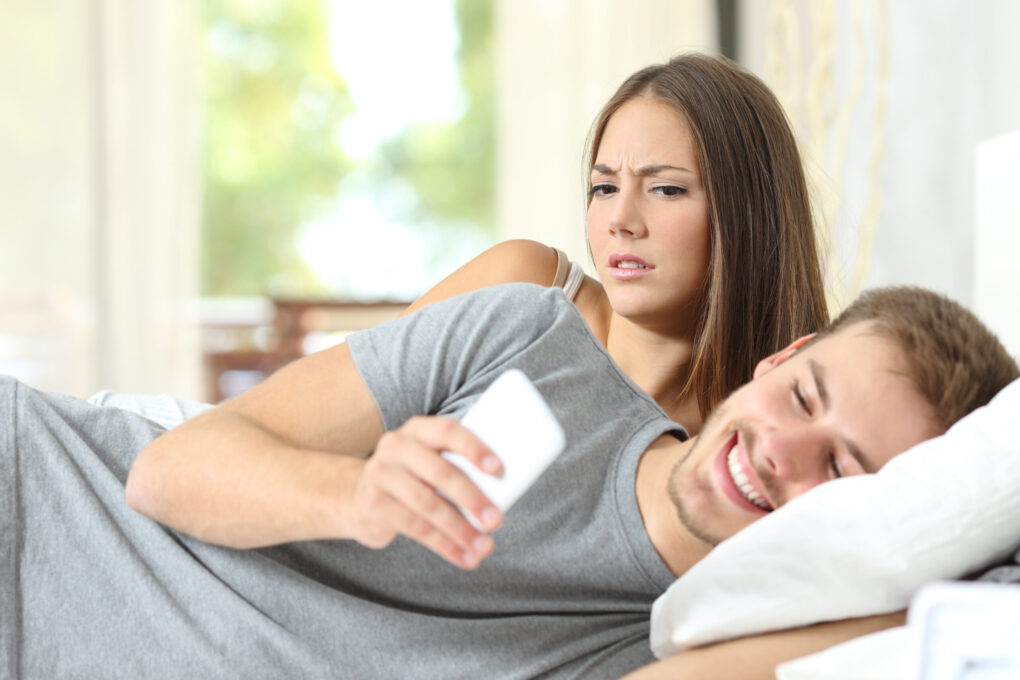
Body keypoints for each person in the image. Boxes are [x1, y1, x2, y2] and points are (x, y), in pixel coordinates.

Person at [5, 283, 1014, 678]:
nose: (782, 452)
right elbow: (166, 471)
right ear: (778, 355)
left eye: (843, 470)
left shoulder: (655, 646)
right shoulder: (533, 342)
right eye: (803, 397)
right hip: (31, 487)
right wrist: (349, 496)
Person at [400, 52, 828, 433]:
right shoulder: (523, 284)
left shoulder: (749, 444)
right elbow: (338, 417)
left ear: (750, 215)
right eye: (604, 188)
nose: (620, 221)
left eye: (666, 189)